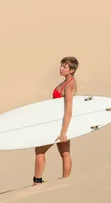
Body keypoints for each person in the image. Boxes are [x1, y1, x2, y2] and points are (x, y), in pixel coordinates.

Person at [32, 56, 79, 185]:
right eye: (61, 65)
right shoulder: (65, 82)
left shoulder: (70, 86)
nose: (61, 68)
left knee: (40, 150)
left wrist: (63, 132)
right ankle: (65, 180)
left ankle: (38, 181)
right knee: (64, 152)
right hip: (56, 121)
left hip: (60, 123)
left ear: (72, 70)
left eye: (64, 66)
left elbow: (68, 110)